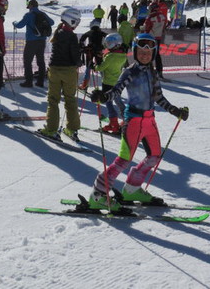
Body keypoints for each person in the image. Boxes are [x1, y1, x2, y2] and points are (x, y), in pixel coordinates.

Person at [87, 33, 189, 211]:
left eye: (148, 53)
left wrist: (174, 110)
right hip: (133, 120)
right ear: (135, 52)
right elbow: (116, 90)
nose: (145, 55)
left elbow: (158, 97)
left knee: (154, 156)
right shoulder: (130, 72)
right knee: (123, 160)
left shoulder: (152, 72)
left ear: (153, 54)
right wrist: (103, 96)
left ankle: (132, 189)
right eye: (141, 52)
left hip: (149, 121)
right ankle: (98, 194)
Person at [37, 8, 82, 141]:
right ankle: (72, 129)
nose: (77, 24)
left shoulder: (58, 32)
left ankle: (51, 129)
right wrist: (80, 60)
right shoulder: (71, 36)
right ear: (71, 21)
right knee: (70, 99)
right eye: (76, 21)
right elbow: (75, 56)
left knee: (53, 100)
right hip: (69, 71)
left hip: (55, 70)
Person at [12, 0, 54, 88]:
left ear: (31, 6)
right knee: (40, 61)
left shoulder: (28, 15)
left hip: (31, 42)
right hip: (42, 41)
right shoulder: (43, 14)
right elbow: (52, 22)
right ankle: (40, 81)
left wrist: (14, 23)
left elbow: (20, 25)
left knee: (27, 61)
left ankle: (28, 81)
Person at [95, 33, 128, 134]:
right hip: (117, 83)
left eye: (109, 43)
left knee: (109, 103)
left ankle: (113, 124)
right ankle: (127, 120)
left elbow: (100, 68)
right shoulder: (123, 55)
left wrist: (95, 64)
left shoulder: (110, 57)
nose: (107, 46)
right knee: (119, 102)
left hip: (108, 83)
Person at [78, 19, 107, 90]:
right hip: (98, 51)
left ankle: (85, 85)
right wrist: (104, 47)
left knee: (88, 67)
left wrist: (83, 47)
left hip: (90, 51)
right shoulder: (101, 33)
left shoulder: (89, 32)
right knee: (101, 66)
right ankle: (105, 84)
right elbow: (108, 37)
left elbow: (81, 40)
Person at [143, 2, 168, 79]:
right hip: (158, 37)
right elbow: (164, 26)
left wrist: (143, 30)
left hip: (150, 38)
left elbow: (146, 28)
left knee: (148, 54)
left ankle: (149, 72)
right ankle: (159, 71)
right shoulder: (163, 16)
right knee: (157, 55)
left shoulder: (150, 17)